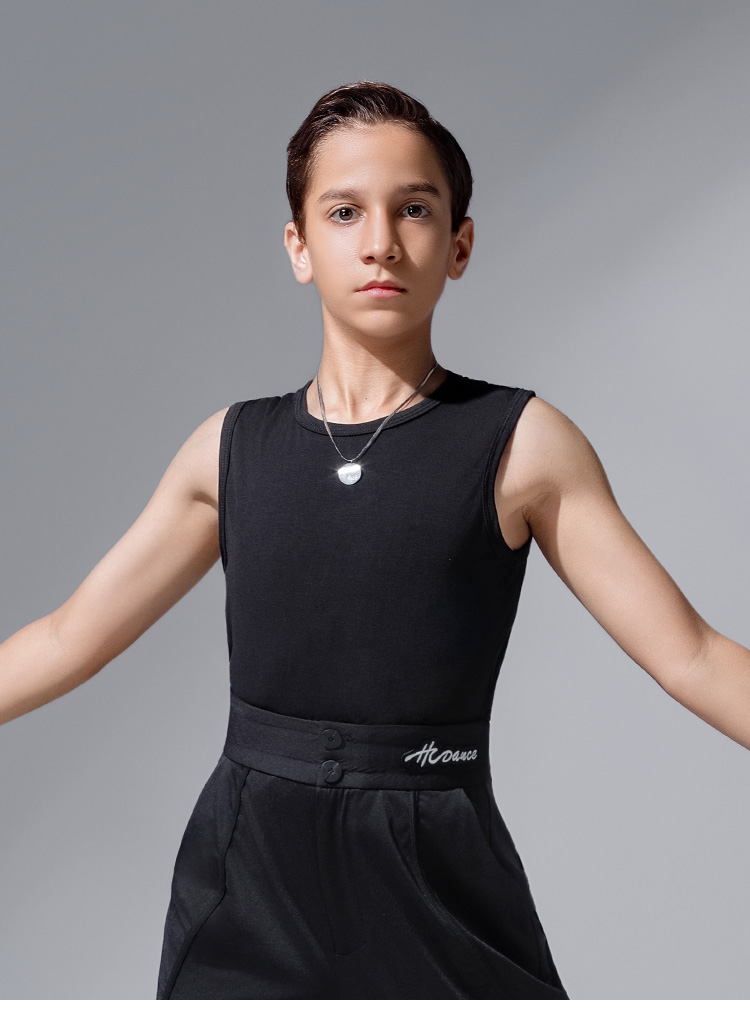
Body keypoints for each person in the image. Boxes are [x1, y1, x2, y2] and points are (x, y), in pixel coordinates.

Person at [1, 80, 748, 1000]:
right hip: (248, 885)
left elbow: (691, 653)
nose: (381, 242)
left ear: (459, 245)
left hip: (437, 877)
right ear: (299, 246)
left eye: (415, 209)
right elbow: (67, 638)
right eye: (345, 211)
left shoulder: (522, 444)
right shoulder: (228, 450)